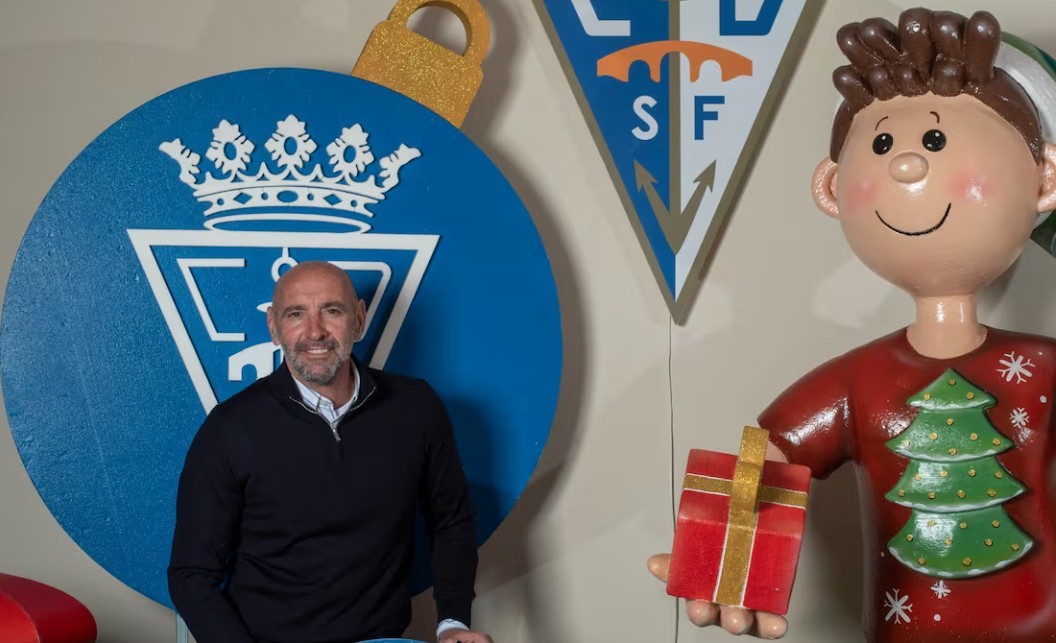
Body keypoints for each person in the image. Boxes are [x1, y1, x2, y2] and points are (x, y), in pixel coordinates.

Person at [650, 8, 1056, 642]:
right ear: (833, 188)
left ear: (1045, 179)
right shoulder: (857, 381)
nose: (906, 165)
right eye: (883, 144)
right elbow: (768, 457)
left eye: (936, 142)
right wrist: (723, 559)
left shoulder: (1042, 367)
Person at [168, 261, 492, 643]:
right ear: (273, 327)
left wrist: (453, 623)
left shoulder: (417, 406)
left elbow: (450, 520)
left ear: (359, 319)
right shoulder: (230, 428)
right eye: (296, 314)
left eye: (332, 311)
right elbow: (191, 574)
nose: (315, 332)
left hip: (381, 640)